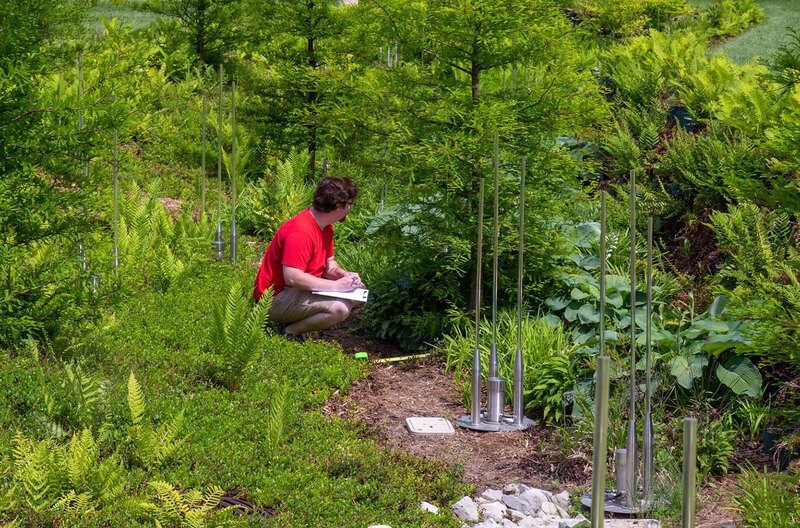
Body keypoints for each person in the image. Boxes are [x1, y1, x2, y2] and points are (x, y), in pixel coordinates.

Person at [253, 176, 364, 341]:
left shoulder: (326, 226)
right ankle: (290, 332)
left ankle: (294, 322)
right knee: (340, 308)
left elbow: (329, 264)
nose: (350, 208)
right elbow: (292, 277)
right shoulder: (301, 231)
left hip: (295, 291)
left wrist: (343, 277)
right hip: (274, 298)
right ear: (338, 206)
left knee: (356, 293)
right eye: (349, 204)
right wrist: (335, 286)